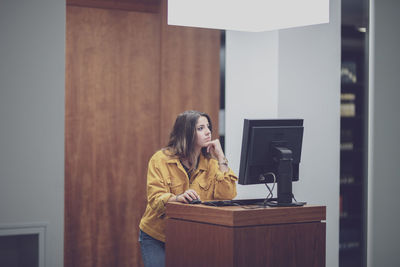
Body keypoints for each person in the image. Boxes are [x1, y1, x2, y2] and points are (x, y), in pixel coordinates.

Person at [138, 110, 237, 267]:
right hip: (157, 236)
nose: (208, 131)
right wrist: (177, 198)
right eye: (200, 128)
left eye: (208, 127)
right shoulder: (160, 160)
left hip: (191, 236)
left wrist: (220, 157)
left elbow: (228, 194)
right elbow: (155, 200)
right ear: (185, 132)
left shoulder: (211, 164)